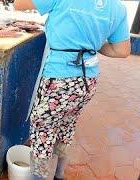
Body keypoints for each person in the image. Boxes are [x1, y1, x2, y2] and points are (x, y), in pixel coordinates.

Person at [14, 0, 131, 179]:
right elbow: (122, 50)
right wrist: (90, 44)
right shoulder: (118, 8)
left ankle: (39, 177)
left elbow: (18, 4)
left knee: (42, 134)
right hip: (88, 80)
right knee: (66, 126)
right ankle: (59, 174)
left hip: (59, 79)